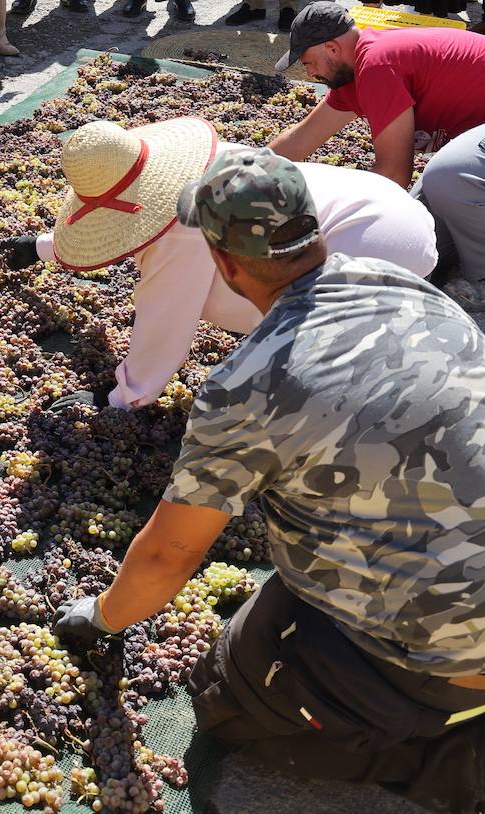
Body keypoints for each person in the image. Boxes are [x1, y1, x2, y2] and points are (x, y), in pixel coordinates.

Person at [53, 148, 485, 814]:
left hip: (449, 656)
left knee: (225, 700)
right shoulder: (405, 285)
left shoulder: (249, 386)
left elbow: (170, 555)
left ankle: (447, 755)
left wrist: (101, 617)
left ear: (224, 263)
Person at [4, 116, 437, 409]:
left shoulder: (183, 226)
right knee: (228, 279)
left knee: (221, 299)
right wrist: (42, 248)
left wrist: (120, 398)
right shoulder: (196, 164)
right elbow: (121, 231)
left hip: (379, 251)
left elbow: (165, 320)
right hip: (387, 206)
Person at [271, 2, 485, 297]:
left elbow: (394, 175)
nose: (309, 74)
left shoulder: (377, 65)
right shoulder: (355, 74)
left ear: (332, 48)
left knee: (446, 176)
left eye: (309, 63)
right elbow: (300, 139)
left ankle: (481, 280)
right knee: (415, 236)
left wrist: (328, 219)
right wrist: (241, 171)